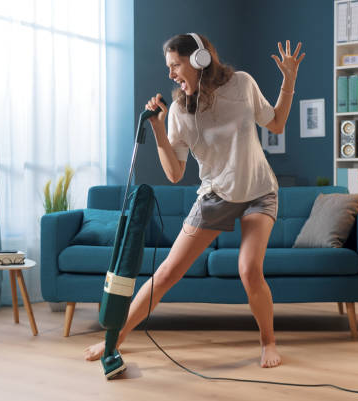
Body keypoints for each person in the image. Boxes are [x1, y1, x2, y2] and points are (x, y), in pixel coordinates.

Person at [85, 33, 304, 368]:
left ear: (200, 59)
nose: (171, 74)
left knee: (249, 269)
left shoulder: (242, 84)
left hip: (259, 190)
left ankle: (268, 342)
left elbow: (275, 122)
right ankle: (115, 339)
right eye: (169, 67)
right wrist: (159, 130)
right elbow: (174, 173)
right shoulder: (178, 111)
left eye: (176, 65)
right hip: (216, 195)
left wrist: (289, 81)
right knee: (168, 271)